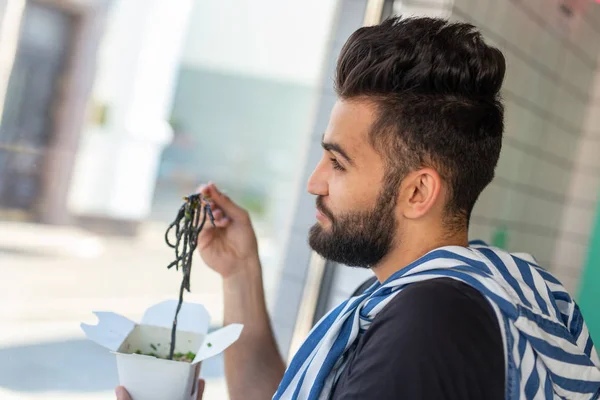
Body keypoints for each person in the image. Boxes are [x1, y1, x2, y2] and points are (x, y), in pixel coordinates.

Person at [117, 16, 600, 400]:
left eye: (338, 162)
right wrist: (241, 272)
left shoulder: (430, 325)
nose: (314, 183)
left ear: (418, 193)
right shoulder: (441, 292)